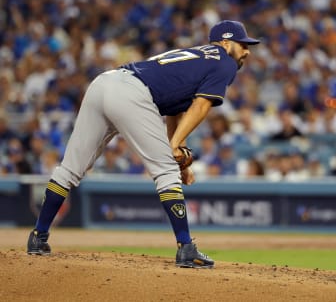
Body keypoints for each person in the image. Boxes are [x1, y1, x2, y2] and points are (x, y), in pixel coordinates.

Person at [26, 20, 260, 269]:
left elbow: (175, 111)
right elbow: (201, 106)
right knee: (166, 172)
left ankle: (38, 237)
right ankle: (186, 248)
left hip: (104, 83)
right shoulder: (225, 61)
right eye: (242, 44)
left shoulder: (196, 56)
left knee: (70, 168)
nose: (247, 50)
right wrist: (176, 147)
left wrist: (179, 153)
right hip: (132, 93)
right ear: (225, 43)